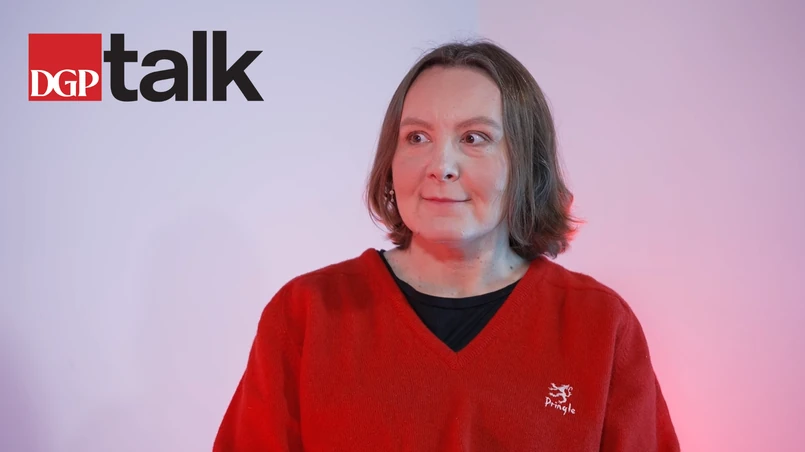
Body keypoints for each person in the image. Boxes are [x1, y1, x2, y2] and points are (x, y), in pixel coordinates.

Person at [212, 39, 680, 451]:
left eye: (474, 138)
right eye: (417, 137)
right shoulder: (306, 313)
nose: (441, 165)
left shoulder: (599, 325)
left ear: (527, 163)